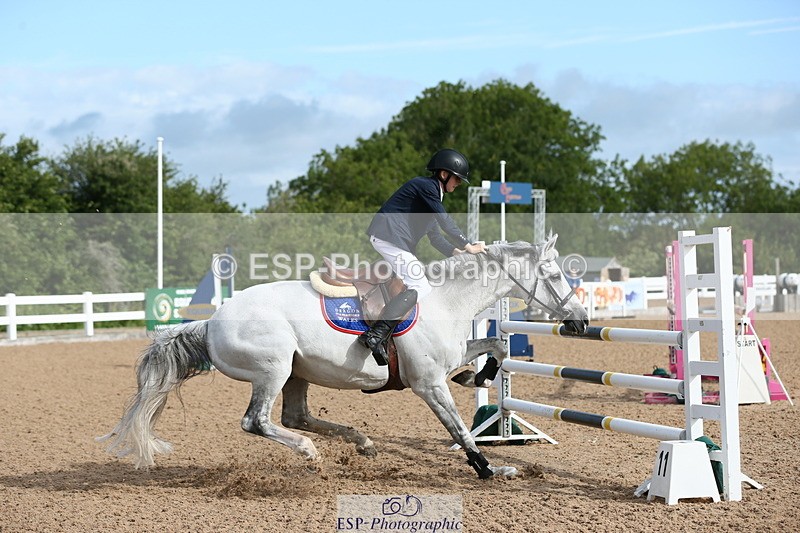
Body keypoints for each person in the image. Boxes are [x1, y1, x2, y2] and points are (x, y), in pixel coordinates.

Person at [359, 148, 487, 364]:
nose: (458, 184)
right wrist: (468, 244)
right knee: (420, 284)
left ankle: (382, 334)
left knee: (417, 282)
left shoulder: (431, 196)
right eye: (457, 179)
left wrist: (458, 253)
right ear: (444, 174)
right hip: (388, 235)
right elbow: (445, 220)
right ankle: (375, 335)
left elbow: (435, 236)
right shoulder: (426, 186)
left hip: (391, 238)